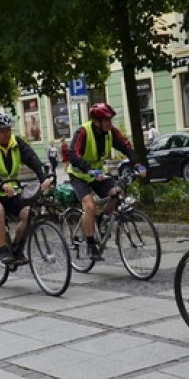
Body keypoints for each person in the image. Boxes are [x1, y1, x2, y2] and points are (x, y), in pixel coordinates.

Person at [67, 103, 146, 261]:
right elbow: (72, 154)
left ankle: (101, 220)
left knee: (117, 193)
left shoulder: (111, 132)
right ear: (97, 121)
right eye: (107, 120)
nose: (110, 123)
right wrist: (89, 169)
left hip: (99, 175)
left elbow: (126, 146)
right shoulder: (83, 132)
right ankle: (90, 245)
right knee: (90, 206)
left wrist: (137, 164)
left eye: (110, 120)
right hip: (80, 175)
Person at [0, 112, 55, 263]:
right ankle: (2, 249)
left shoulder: (16, 143)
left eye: (8, 130)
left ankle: (16, 247)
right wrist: (0, 183)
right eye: (2, 131)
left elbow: (32, 159)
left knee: (27, 214)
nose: (6, 134)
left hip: (11, 190)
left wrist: (44, 177)